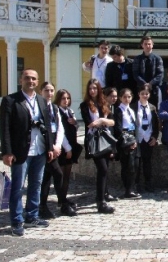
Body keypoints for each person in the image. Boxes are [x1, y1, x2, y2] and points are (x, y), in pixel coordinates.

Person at [0, 69, 54, 236]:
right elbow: (5, 129)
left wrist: (50, 148)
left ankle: (32, 215)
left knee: (36, 185)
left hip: (39, 149)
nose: (30, 81)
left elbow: (48, 126)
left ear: (37, 82)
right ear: (21, 80)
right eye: (27, 78)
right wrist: (7, 152)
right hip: (20, 151)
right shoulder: (10, 100)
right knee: (17, 188)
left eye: (33, 79)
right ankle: (16, 221)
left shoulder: (41, 101)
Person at [80, 78, 116, 213]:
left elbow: (113, 122)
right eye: (90, 89)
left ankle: (103, 196)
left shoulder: (104, 103)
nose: (92, 91)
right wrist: (102, 120)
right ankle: (100, 201)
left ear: (99, 89)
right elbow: (89, 123)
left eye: (95, 88)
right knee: (102, 169)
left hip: (106, 139)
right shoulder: (85, 105)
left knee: (105, 169)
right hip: (94, 140)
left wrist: (102, 120)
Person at [39, 82, 73, 219]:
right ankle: (63, 203)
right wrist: (49, 147)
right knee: (58, 174)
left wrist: (59, 146)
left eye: (52, 90)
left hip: (54, 145)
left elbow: (60, 128)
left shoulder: (54, 108)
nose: (49, 93)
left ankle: (42, 206)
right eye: (47, 90)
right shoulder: (39, 107)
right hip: (44, 146)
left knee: (47, 178)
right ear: (41, 91)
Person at [53, 89, 82, 215]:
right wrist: (67, 147)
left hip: (72, 144)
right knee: (61, 174)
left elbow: (76, 127)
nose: (66, 101)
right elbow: (60, 132)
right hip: (64, 147)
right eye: (63, 98)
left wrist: (75, 123)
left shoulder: (69, 111)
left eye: (68, 98)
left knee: (67, 176)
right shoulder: (57, 111)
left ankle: (63, 198)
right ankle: (61, 200)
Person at [131, 84, 160, 192]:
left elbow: (156, 124)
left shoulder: (152, 107)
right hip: (137, 138)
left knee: (147, 162)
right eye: (142, 93)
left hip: (148, 138)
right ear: (138, 94)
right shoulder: (133, 107)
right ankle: (136, 184)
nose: (144, 95)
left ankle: (148, 183)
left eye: (146, 94)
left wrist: (155, 137)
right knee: (137, 163)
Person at [114, 88, 141, 199]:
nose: (126, 99)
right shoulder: (119, 110)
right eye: (124, 97)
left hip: (133, 137)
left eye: (129, 97)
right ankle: (128, 189)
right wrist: (128, 142)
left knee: (135, 164)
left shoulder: (131, 110)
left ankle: (132, 187)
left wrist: (135, 140)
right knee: (128, 166)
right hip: (125, 139)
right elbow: (119, 129)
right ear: (120, 98)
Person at [132, 36, 164, 106]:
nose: (147, 46)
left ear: (152, 45)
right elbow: (135, 74)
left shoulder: (158, 58)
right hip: (141, 89)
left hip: (154, 89)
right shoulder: (137, 59)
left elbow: (160, 74)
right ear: (142, 45)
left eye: (149, 44)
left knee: (154, 108)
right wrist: (144, 84)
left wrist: (150, 84)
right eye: (145, 44)